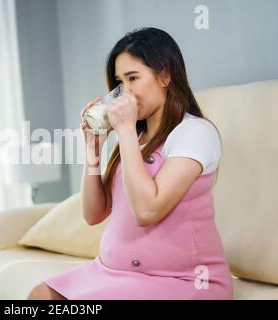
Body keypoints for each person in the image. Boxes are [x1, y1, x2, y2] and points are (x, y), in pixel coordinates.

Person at [27, 27, 233, 300]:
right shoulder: (134, 137)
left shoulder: (194, 132)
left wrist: (124, 132)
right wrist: (93, 151)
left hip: (180, 281)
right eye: (120, 83)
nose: (126, 93)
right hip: (115, 273)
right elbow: (93, 214)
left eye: (133, 78)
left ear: (165, 75)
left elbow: (148, 211)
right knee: (41, 295)